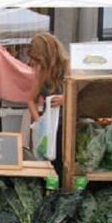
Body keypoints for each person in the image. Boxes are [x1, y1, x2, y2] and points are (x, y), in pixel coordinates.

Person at [27, 32, 69, 175]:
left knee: (63, 161)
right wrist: (39, 122)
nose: (36, 63)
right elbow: (30, 99)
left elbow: (81, 93)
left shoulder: (67, 66)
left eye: (38, 58)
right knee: (47, 160)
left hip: (67, 124)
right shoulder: (40, 70)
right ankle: (51, 189)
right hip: (49, 124)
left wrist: (65, 99)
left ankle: (63, 189)